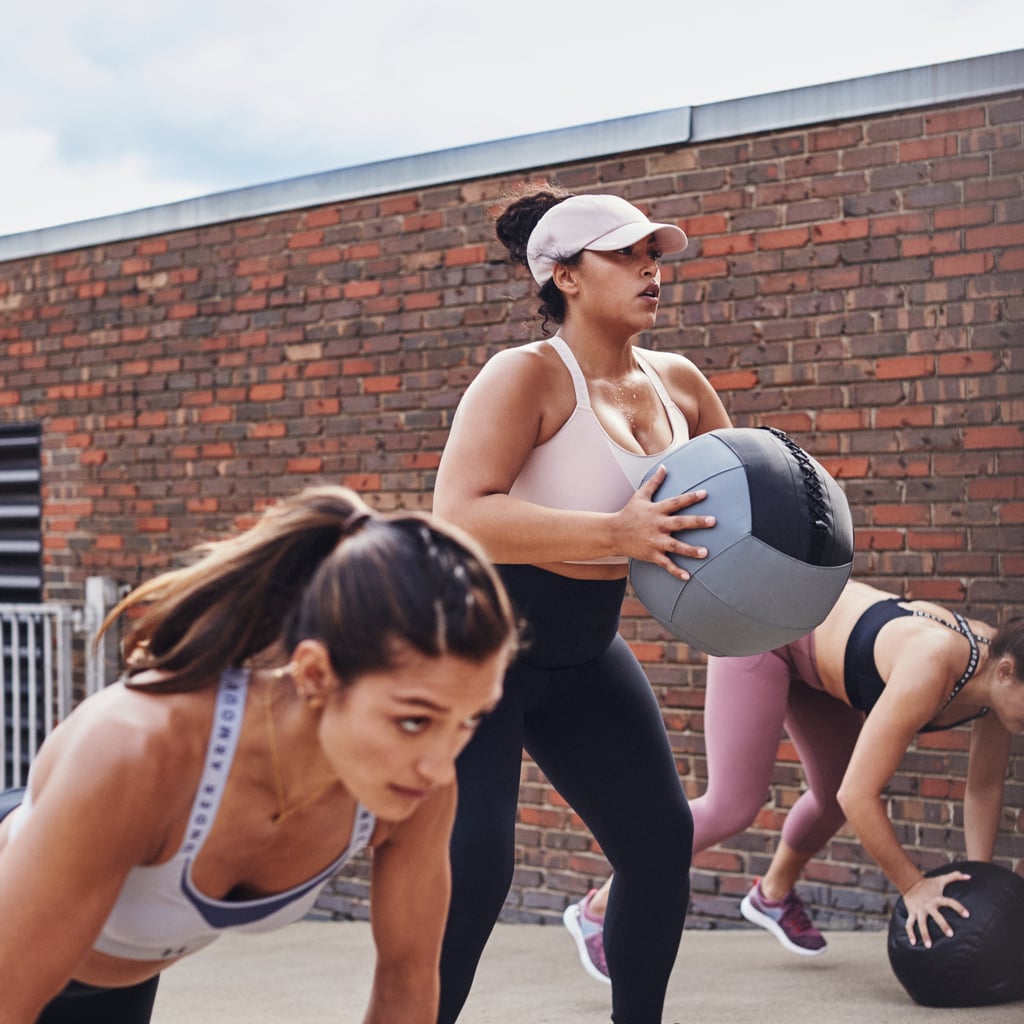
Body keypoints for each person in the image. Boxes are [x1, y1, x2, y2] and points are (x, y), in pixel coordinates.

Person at [0, 485, 519, 1024]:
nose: (439, 766)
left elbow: (406, 983)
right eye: (413, 720)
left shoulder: (415, 785)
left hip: (113, 981)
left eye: (469, 720)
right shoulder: (141, 751)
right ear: (316, 674)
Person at [431, 185, 732, 1024]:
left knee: (659, 844)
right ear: (564, 274)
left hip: (583, 648)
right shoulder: (524, 376)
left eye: (654, 254)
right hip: (480, 650)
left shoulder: (679, 383)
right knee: (478, 868)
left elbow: (735, 505)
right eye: (627, 255)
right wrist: (616, 530)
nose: (651, 269)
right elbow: (458, 513)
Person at [567, 578, 1024, 974]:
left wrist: (981, 889)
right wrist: (913, 886)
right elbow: (859, 796)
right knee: (732, 806)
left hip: (822, 670)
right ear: (1007, 672)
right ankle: (598, 911)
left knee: (827, 799)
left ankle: (772, 895)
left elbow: (983, 786)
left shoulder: (993, 685)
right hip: (765, 630)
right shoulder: (934, 662)